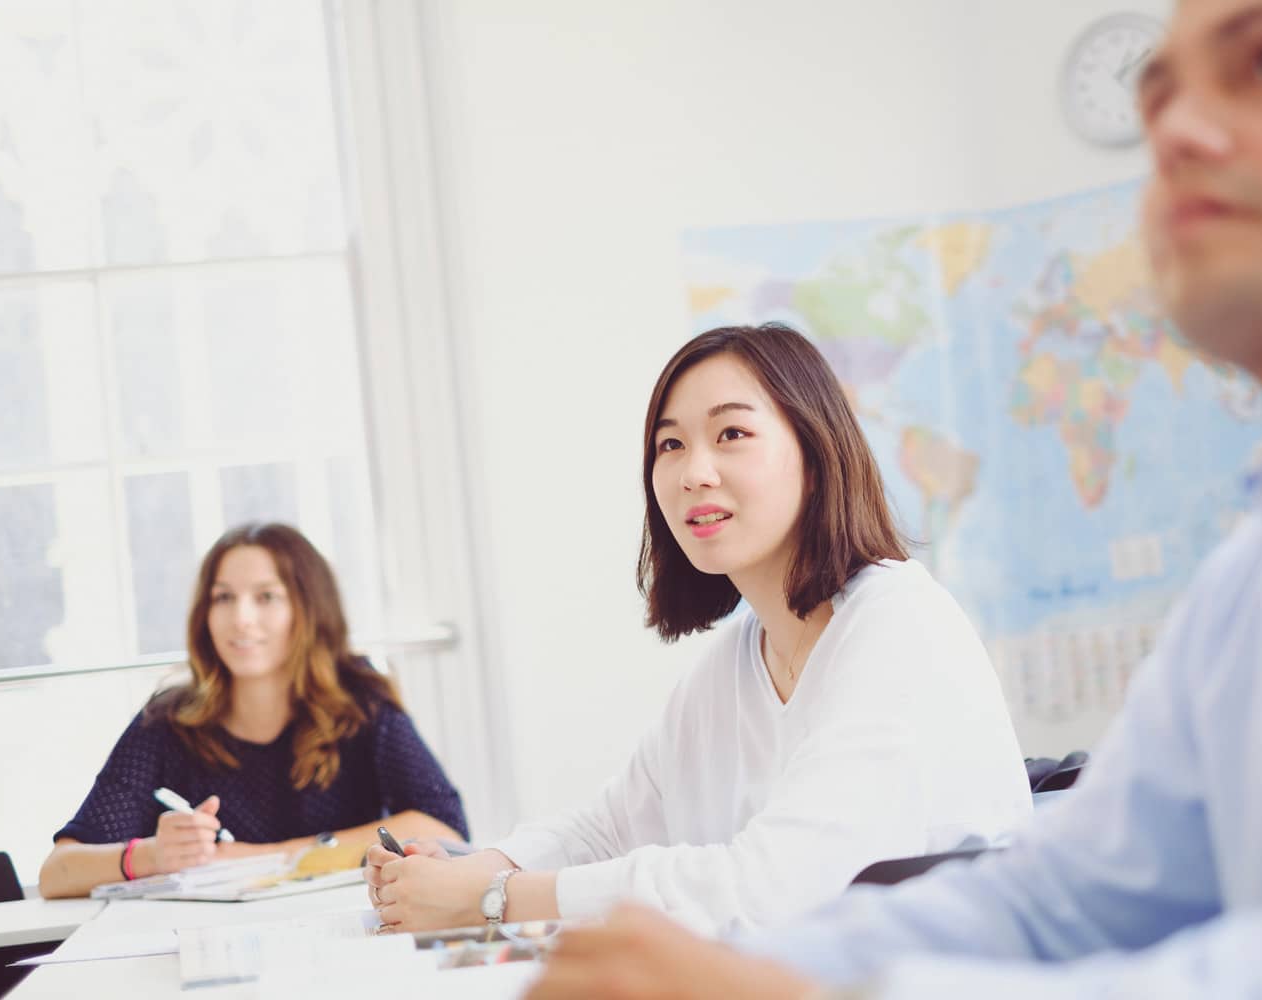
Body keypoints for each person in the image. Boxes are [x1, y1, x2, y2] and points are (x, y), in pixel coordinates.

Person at [520, 0, 1262, 996]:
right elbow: (1062, 899)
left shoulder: (893, 620)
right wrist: (735, 974)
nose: (1180, 131)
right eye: (1160, 96)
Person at [365, 324, 1032, 934]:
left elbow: (770, 888)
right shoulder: (736, 661)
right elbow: (611, 827)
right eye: (671, 445)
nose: (694, 473)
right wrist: (467, 871)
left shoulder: (897, 627)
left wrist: (491, 897)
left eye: (731, 435)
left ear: (816, 450)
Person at [38, 522, 468, 899]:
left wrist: (263, 858)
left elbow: (445, 830)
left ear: (309, 611)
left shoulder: (361, 704)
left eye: (266, 597)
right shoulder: (167, 722)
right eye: (223, 598)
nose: (240, 618)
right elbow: (57, 873)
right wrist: (151, 855)